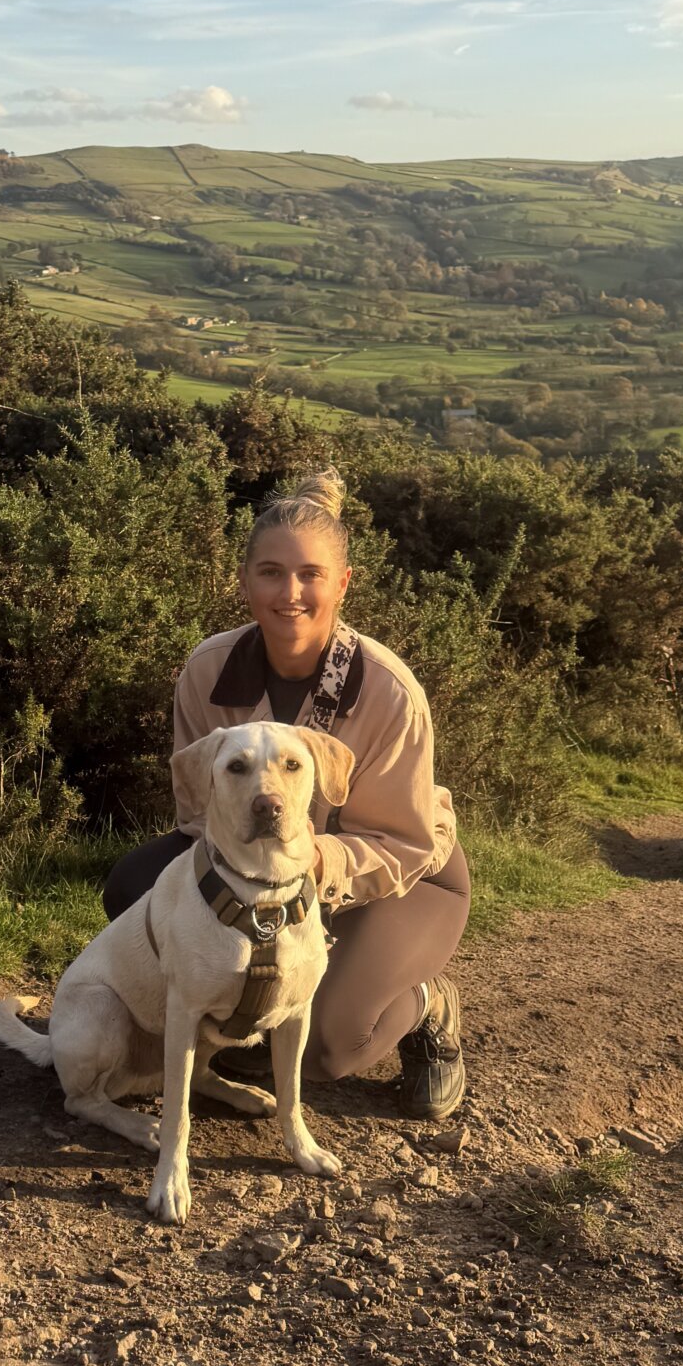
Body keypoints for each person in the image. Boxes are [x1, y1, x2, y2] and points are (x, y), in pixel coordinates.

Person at [102, 468, 469, 1119]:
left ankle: (427, 1006)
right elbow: (196, 816)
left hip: (403, 875)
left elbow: (404, 843)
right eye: (270, 573)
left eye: (310, 575)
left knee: (327, 1044)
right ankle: (228, 1028)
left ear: (343, 583)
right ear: (243, 583)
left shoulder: (389, 692)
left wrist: (310, 877)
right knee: (135, 890)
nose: (290, 592)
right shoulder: (208, 671)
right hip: (258, 864)